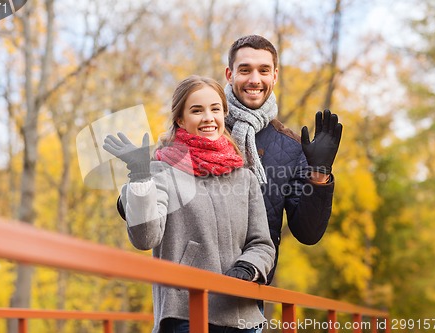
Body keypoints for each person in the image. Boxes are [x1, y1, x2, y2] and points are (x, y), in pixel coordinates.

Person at [103, 75, 275, 333]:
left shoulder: (244, 176)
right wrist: (140, 176)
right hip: (186, 314)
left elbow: (262, 243)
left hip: (242, 316)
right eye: (197, 110)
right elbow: (145, 238)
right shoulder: (162, 172)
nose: (208, 118)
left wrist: (247, 267)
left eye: (215, 109)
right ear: (180, 120)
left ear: (223, 114)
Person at [224, 34, 343, 284]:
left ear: (274, 76)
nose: (255, 79)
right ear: (229, 74)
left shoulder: (291, 147)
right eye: (245, 70)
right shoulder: (203, 127)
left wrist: (319, 174)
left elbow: (308, 233)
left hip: (250, 294)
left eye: (263, 70)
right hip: (190, 290)